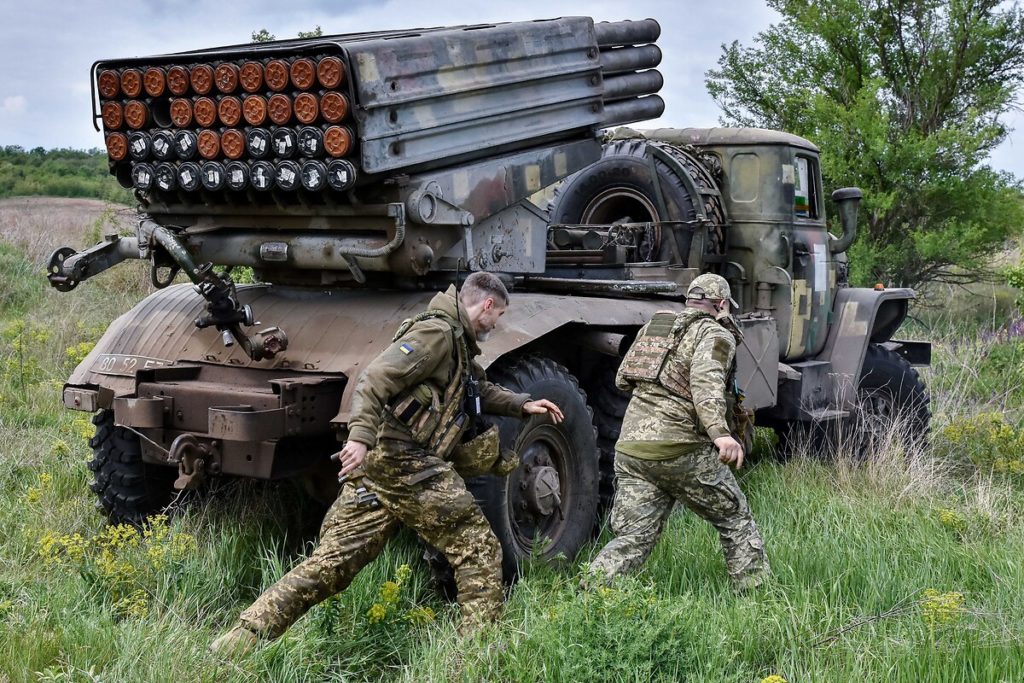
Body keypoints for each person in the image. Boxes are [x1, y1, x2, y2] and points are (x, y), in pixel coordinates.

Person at [212, 272, 564, 654]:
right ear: (487, 305)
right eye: (497, 317)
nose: (496, 326)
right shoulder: (437, 335)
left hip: (383, 470)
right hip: (407, 463)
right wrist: (360, 439)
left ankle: (241, 639)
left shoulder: (457, 343)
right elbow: (374, 379)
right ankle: (478, 655)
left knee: (331, 565)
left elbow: (475, 390)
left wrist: (521, 404)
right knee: (478, 549)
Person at [586, 273, 768, 591]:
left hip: (632, 449)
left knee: (633, 539)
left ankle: (590, 597)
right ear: (722, 304)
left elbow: (622, 380)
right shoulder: (716, 335)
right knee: (735, 518)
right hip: (680, 448)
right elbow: (706, 382)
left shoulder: (656, 326)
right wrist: (720, 433)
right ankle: (756, 593)